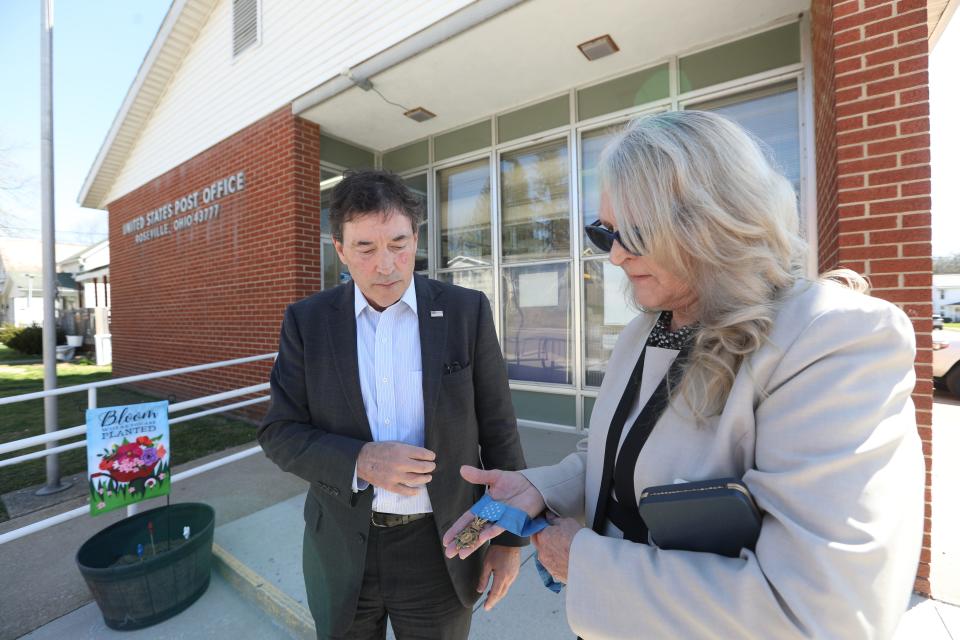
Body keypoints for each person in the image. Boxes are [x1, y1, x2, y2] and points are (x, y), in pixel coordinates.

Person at [442, 111, 924, 639]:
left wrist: (586, 566)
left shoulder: (833, 338)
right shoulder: (645, 330)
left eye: (639, 234)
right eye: (605, 232)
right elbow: (612, 454)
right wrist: (537, 488)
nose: (617, 257)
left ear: (716, 220)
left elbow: (819, 614)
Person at [258, 169, 527, 640]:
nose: (387, 265)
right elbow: (279, 433)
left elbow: (499, 430)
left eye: (399, 244)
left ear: (416, 238)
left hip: (443, 547)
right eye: (365, 248)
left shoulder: (466, 311)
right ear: (339, 250)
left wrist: (507, 538)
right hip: (341, 548)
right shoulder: (308, 322)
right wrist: (360, 459)